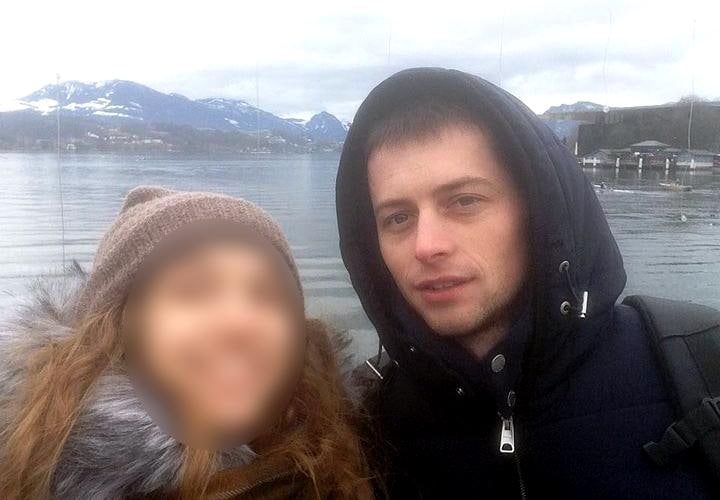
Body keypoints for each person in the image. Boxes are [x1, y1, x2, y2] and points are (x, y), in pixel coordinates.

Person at [336, 68, 719, 498]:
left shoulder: (700, 367)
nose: (426, 246)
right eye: (398, 218)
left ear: (538, 210)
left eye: (464, 201)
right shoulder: (363, 427)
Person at [0, 186, 373, 499]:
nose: (240, 321)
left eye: (267, 294)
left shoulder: (340, 456)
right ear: (116, 332)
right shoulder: (33, 476)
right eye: (193, 291)